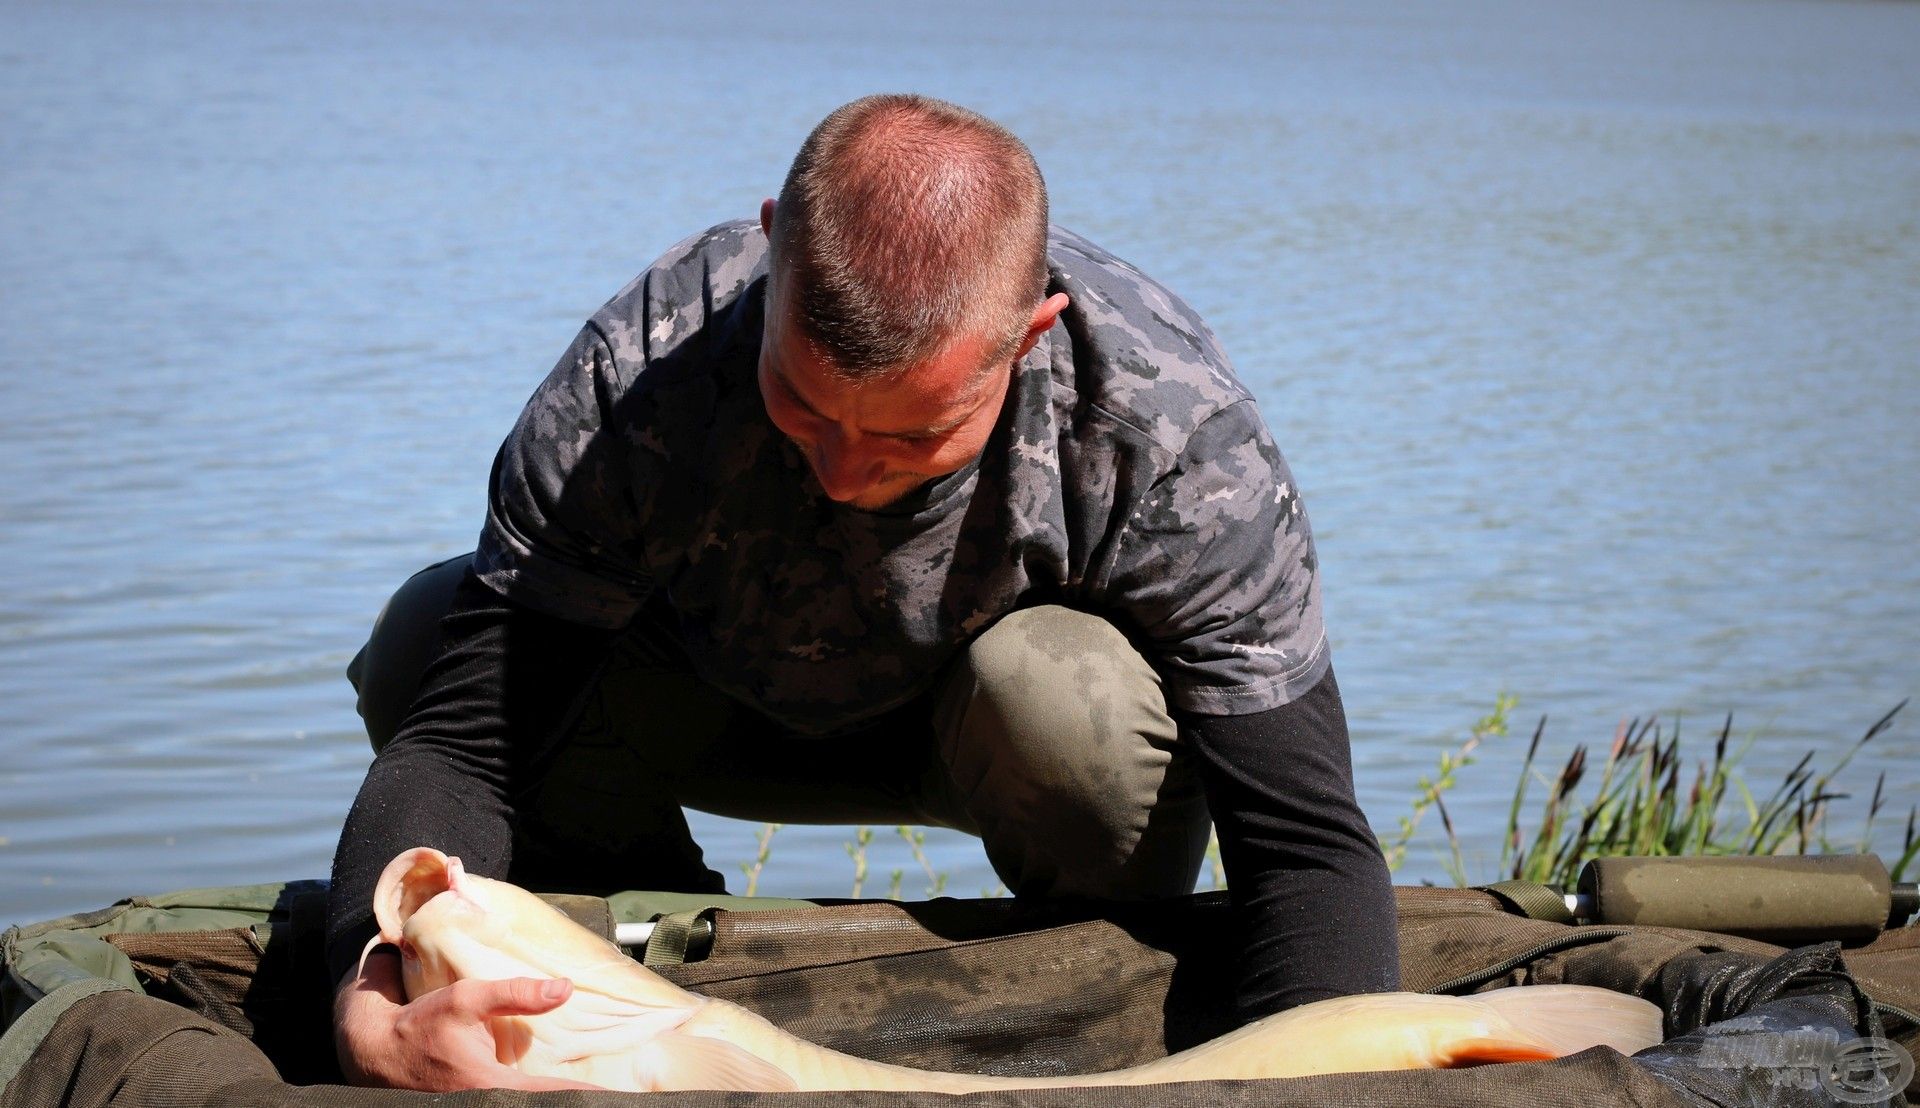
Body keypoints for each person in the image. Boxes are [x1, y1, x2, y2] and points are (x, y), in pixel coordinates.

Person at [327, 93, 1399, 1092]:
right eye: (801, 403)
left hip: (1004, 745)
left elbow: (1304, 847)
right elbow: (461, 748)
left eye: (914, 437)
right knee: (428, 638)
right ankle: (648, 958)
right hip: (710, 705)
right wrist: (364, 1002)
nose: (845, 472)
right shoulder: (640, 367)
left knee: (1065, 700)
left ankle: (1079, 976)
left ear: (1028, 336)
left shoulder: (1170, 431)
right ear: (769, 249)